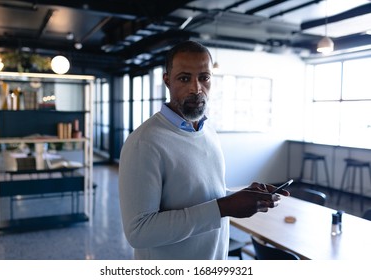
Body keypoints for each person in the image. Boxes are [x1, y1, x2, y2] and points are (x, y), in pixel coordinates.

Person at [118, 40, 289, 260]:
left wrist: (242, 197)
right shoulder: (144, 142)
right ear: (167, 81)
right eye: (184, 78)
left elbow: (203, 197)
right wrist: (224, 207)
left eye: (204, 77)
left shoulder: (208, 132)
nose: (196, 88)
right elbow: (138, 232)